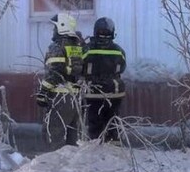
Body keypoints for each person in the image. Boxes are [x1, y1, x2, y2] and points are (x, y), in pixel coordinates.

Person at [35, 13, 85, 149]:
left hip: (59, 97)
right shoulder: (77, 46)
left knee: (54, 137)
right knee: (71, 140)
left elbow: (55, 73)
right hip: (75, 98)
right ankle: (70, 169)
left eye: (54, 27)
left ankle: (54, 169)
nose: (53, 31)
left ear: (62, 27)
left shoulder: (57, 47)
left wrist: (43, 91)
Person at [82, 17, 127, 143]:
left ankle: (96, 146)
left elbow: (80, 67)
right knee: (113, 120)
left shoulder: (87, 49)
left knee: (94, 122)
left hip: (93, 92)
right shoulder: (119, 50)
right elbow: (122, 67)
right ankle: (114, 146)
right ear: (112, 32)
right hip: (115, 92)